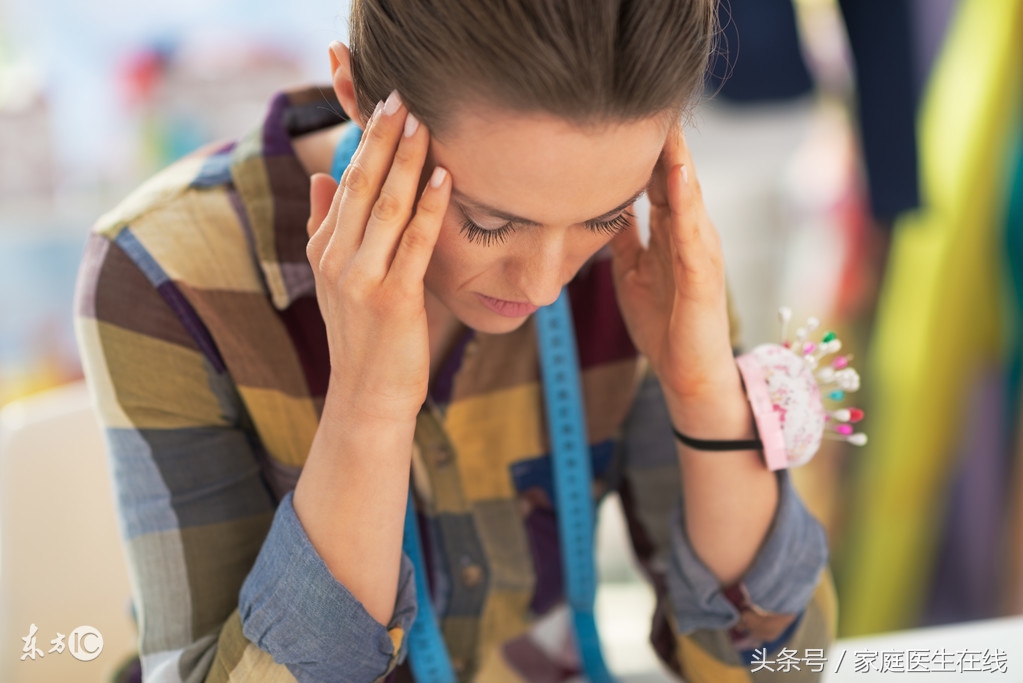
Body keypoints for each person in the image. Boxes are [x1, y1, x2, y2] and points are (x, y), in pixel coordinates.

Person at [74, 0, 835, 681]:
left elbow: (776, 671)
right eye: (488, 221)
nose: (543, 285)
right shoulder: (162, 273)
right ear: (356, 99)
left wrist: (703, 396)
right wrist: (367, 412)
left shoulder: (640, 257)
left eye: (602, 214)